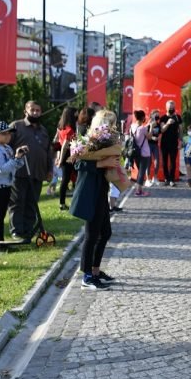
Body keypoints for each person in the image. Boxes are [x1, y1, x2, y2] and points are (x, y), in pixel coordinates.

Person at [69, 110, 121, 290]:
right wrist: (101, 163)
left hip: (101, 190)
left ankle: (95, 270)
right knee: (91, 235)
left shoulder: (104, 142)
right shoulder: (87, 141)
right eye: (111, 124)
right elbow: (78, 163)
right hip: (90, 192)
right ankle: (87, 276)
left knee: (105, 232)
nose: (113, 127)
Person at [8, 101, 53, 243]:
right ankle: (16, 231)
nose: (35, 112)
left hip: (38, 172)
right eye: (32, 110)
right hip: (19, 172)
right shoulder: (16, 126)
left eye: (38, 110)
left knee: (32, 203)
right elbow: (6, 147)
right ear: (25, 111)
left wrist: (49, 170)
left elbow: (48, 151)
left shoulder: (43, 130)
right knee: (17, 202)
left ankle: (27, 231)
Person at [0, 121, 30, 254]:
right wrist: (15, 159)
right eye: (4, 134)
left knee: (1, 215)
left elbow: (16, 165)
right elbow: (2, 169)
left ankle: (0, 242)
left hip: (7, 185)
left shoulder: (7, 148)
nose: (8, 136)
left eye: (9, 133)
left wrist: (20, 156)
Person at [53, 106, 78, 210]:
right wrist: (61, 160)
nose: (77, 115)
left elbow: (58, 143)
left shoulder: (62, 128)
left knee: (67, 179)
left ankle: (63, 203)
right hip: (67, 155)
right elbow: (64, 146)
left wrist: (58, 157)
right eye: (76, 113)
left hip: (64, 154)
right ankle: (62, 203)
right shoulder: (70, 130)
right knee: (66, 180)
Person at [159, 100, 183, 187]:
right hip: (164, 143)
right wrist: (168, 123)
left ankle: (172, 179)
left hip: (174, 143)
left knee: (173, 162)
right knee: (164, 162)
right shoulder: (163, 118)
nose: (171, 109)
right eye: (170, 107)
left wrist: (181, 141)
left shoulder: (178, 117)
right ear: (166, 108)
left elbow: (180, 130)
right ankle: (166, 179)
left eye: (173, 107)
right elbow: (162, 130)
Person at [129, 110, 152, 197]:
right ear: (143, 118)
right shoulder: (143, 128)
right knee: (142, 173)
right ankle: (138, 191)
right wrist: (151, 127)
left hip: (135, 152)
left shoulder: (132, 126)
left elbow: (139, 132)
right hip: (144, 153)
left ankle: (140, 190)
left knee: (140, 172)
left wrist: (147, 125)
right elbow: (149, 137)